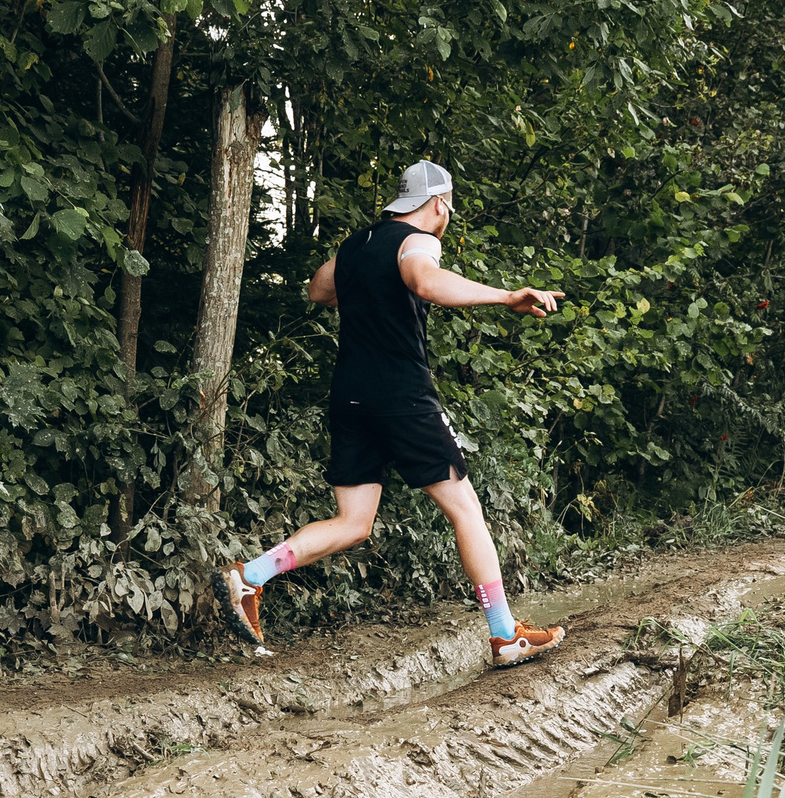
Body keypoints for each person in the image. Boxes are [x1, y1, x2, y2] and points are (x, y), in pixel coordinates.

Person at [219, 159, 568, 665]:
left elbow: (319, 290)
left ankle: (249, 577)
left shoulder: (357, 244)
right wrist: (505, 296)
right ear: (439, 204)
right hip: (402, 396)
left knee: (354, 522)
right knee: (465, 508)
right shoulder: (420, 240)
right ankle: (503, 634)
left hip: (350, 396)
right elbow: (425, 281)